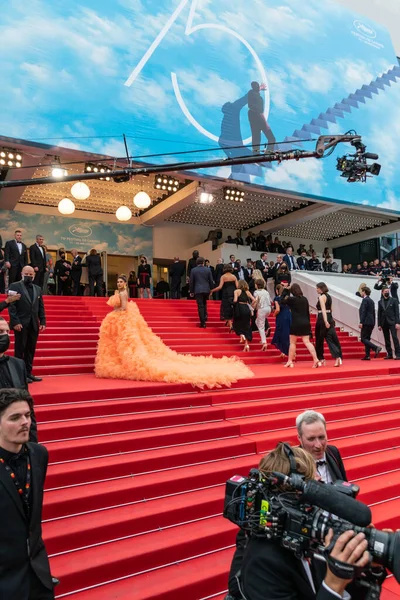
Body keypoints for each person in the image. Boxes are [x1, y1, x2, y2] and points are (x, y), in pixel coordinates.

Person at [238, 443, 372, 600]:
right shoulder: (262, 563)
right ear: (293, 499)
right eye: (314, 483)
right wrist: (333, 584)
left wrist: (364, 569)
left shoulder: (307, 535)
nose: (321, 484)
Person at [95, 275, 253, 387]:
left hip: (122, 318)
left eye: (121, 281)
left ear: (125, 284)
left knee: (127, 344)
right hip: (123, 319)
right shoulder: (120, 292)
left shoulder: (122, 293)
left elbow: (123, 308)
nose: (119, 283)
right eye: (118, 281)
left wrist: (113, 311)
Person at [0, 388, 54, 600]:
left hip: (38, 575)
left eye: (27, 415)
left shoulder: (39, 454)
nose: (25, 422)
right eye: (15, 417)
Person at [0, 317, 38, 442]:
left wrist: (32, 443)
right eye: (1, 332)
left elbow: (28, 408)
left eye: (7, 332)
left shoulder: (18, 365)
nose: (6, 336)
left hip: (17, 444)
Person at [8, 265, 46, 383]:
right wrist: (15, 322)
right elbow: (12, 306)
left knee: (31, 349)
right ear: (21, 274)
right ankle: (19, 375)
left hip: (33, 324)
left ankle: (29, 373)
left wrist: (43, 321)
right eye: (27, 274)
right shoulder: (14, 286)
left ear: (34, 275)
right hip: (21, 324)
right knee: (20, 349)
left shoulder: (37, 288)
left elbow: (41, 307)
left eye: (31, 274)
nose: (29, 276)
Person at [296, 410, 347, 482]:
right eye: (311, 439)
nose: (318, 445)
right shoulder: (293, 463)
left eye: (321, 437)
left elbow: (345, 485)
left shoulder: (333, 452)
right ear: (300, 438)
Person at [281, 283, 320, 368]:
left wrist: (285, 290)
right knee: (307, 342)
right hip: (305, 322)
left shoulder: (292, 299)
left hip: (296, 323)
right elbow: (307, 312)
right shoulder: (305, 299)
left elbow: (282, 301)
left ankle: (290, 361)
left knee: (292, 342)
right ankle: (315, 359)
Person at [315, 282, 343, 367]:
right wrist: (330, 319)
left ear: (321, 288)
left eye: (317, 288)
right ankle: (338, 356)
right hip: (329, 317)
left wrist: (325, 321)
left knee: (319, 339)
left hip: (322, 318)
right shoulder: (329, 297)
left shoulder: (321, 297)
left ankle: (321, 358)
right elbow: (331, 309)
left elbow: (323, 310)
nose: (316, 289)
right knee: (330, 338)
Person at [247, 81, 276, 153]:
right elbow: (260, 113)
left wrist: (260, 87)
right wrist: (266, 123)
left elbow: (255, 89)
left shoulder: (250, 93)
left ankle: (255, 156)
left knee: (256, 138)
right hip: (259, 118)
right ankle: (268, 153)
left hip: (251, 117)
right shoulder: (259, 99)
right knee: (271, 138)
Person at [190, 257, 214, 328]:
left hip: (198, 290)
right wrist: (211, 289)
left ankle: (203, 322)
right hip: (206, 289)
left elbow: (192, 282)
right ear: (203, 262)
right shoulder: (208, 269)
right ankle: (205, 315)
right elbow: (211, 280)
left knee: (200, 305)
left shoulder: (193, 270)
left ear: (197, 263)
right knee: (204, 303)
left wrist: (191, 291)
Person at [211, 265, 237, 330]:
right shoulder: (234, 276)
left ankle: (230, 324)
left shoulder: (223, 276)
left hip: (226, 294)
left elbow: (220, 287)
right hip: (233, 293)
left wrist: (212, 290)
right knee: (232, 307)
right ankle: (229, 322)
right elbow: (237, 286)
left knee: (226, 308)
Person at [359, 286, 382, 361]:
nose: (361, 293)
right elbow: (373, 312)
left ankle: (376, 348)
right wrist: (374, 322)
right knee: (367, 339)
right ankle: (367, 355)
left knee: (363, 339)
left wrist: (361, 322)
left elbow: (363, 312)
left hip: (366, 322)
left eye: (362, 291)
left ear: (364, 292)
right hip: (371, 322)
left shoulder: (365, 300)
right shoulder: (371, 301)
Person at [377, 286, 400, 360]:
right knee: (386, 339)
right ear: (382, 292)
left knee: (394, 338)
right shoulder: (380, 302)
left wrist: (397, 323)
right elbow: (379, 314)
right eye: (385, 291)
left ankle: (398, 354)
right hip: (384, 323)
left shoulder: (394, 300)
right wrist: (379, 324)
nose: (387, 292)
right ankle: (389, 354)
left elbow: (397, 313)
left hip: (393, 322)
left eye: (388, 291)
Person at [233, 280, 255, 351]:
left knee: (237, 323)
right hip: (246, 308)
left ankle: (241, 334)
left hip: (239, 308)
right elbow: (254, 300)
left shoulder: (236, 291)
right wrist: (250, 305)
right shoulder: (248, 292)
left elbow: (235, 300)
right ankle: (246, 345)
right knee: (247, 325)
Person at [271, 284, 291, 358]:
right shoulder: (287, 298)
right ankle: (285, 351)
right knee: (287, 333)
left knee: (280, 333)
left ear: (276, 290)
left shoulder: (277, 298)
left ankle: (286, 351)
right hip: (288, 315)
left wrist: (274, 314)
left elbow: (278, 309)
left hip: (281, 316)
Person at [253, 278, 271, 351]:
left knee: (261, 326)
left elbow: (256, 301)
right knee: (257, 322)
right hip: (268, 308)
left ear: (256, 285)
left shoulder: (256, 292)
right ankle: (263, 336)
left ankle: (264, 342)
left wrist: (252, 307)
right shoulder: (266, 292)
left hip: (262, 309)